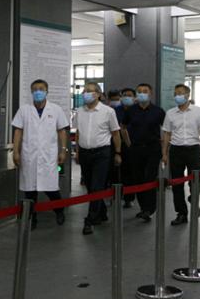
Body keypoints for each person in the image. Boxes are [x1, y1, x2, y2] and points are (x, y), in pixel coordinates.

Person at [12, 79, 69, 230]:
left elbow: (62, 131)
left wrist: (63, 150)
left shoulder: (55, 109)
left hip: (48, 156)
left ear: (46, 91)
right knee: (30, 191)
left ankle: (59, 211)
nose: (38, 92)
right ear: (31, 92)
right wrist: (16, 152)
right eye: (35, 89)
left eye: (41, 89)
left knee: (52, 189)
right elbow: (18, 131)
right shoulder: (24, 110)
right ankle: (32, 218)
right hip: (29, 155)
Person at [74, 82, 122, 235]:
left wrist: (118, 153)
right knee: (90, 186)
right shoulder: (79, 111)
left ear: (98, 94)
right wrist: (77, 152)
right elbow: (78, 133)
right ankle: (102, 212)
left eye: (90, 91)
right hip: (85, 153)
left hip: (102, 153)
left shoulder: (108, 111)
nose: (86, 93)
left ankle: (90, 219)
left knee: (97, 186)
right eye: (85, 91)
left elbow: (115, 133)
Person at [162, 84, 200, 226]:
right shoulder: (170, 113)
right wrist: (164, 153)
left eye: (180, 93)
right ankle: (181, 213)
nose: (177, 96)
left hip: (193, 149)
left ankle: (193, 199)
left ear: (187, 95)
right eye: (175, 93)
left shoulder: (198, 111)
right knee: (176, 182)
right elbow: (167, 134)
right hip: (176, 150)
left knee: (196, 179)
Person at [122, 84, 166, 222]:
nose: (142, 93)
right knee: (138, 178)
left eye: (145, 91)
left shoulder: (158, 111)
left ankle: (150, 208)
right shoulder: (131, 110)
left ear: (150, 94)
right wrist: (128, 143)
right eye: (139, 91)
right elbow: (123, 127)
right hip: (135, 149)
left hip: (153, 149)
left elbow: (166, 130)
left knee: (149, 177)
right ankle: (143, 208)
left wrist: (164, 149)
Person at [119, 87, 137, 208]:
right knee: (121, 172)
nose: (127, 97)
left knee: (132, 172)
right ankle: (119, 195)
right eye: (124, 95)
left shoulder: (138, 111)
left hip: (135, 145)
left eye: (130, 95)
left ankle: (129, 197)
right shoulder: (115, 111)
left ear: (134, 98)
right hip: (119, 145)